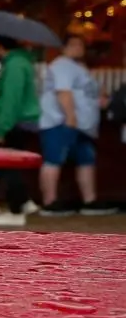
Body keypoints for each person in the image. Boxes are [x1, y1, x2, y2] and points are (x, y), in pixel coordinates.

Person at [38, 33, 116, 215]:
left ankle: (89, 201)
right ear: (63, 48)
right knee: (54, 159)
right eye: (73, 45)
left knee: (86, 160)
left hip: (83, 126)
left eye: (81, 45)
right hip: (62, 122)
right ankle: (50, 202)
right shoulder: (62, 65)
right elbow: (63, 92)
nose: (78, 48)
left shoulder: (80, 68)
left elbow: (92, 92)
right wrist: (70, 116)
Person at [0, 35, 41, 227]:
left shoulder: (14, 65)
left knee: (6, 164)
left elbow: (11, 100)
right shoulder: (16, 62)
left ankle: (17, 209)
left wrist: (1, 129)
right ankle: (23, 201)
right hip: (19, 121)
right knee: (10, 165)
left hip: (13, 122)